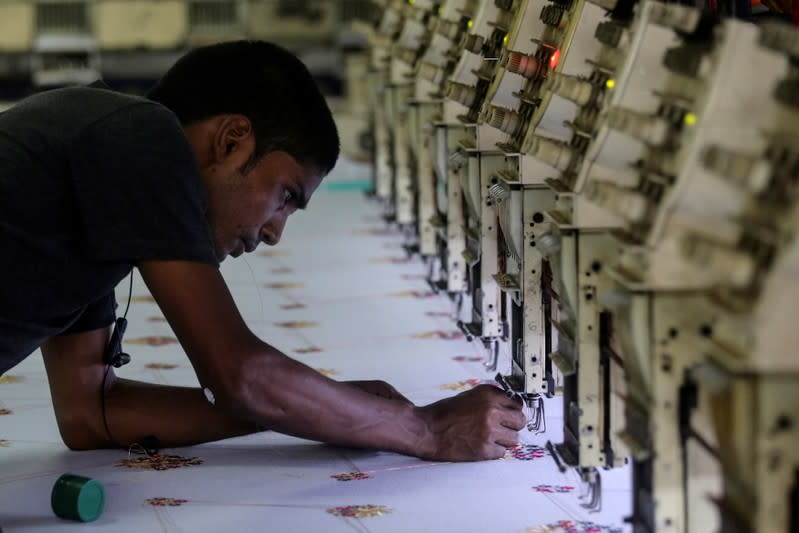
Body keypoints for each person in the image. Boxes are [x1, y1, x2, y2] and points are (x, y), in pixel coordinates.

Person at [0, 41, 524, 462]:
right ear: (232, 141)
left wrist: (322, 409)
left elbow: (94, 414)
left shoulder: (93, 192)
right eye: (286, 197)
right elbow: (238, 375)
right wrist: (423, 430)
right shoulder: (141, 135)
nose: (274, 233)